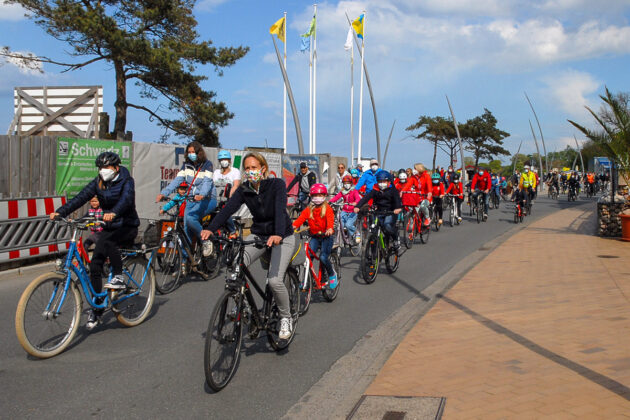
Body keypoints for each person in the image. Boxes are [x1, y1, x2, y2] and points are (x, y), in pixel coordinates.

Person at [201, 152, 295, 340]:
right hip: (260, 235)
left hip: (282, 235)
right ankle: (241, 302)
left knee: (275, 281)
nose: (251, 171)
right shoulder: (245, 190)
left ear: (263, 169)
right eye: (248, 168)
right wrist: (210, 229)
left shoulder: (276, 185)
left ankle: (286, 317)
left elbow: (279, 208)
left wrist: (277, 233)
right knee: (237, 264)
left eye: (254, 167)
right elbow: (228, 209)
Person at [50, 152, 139, 330]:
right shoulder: (99, 182)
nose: (102, 171)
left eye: (106, 167)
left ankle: (119, 276)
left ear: (116, 167)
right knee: (95, 266)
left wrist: (113, 212)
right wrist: (61, 212)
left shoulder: (127, 181)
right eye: (100, 168)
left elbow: (126, 200)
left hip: (127, 225)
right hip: (109, 225)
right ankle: (97, 308)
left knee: (110, 242)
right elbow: (81, 197)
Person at [156, 141, 216, 246]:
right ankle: (185, 258)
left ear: (199, 153)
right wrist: (164, 193)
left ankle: (205, 242)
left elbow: (207, 182)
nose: (191, 154)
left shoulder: (207, 164)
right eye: (189, 152)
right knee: (186, 228)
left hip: (207, 199)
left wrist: (202, 194)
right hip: (191, 199)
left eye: (193, 152)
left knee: (190, 218)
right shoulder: (186, 165)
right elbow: (177, 181)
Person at [293, 184, 338, 289]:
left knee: (323, 257)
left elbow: (330, 220)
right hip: (314, 236)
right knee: (308, 257)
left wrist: (330, 229)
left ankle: (332, 274)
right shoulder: (309, 209)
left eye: (320, 195)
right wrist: (292, 227)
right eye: (315, 196)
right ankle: (307, 279)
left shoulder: (327, 208)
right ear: (311, 196)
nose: (317, 198)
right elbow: (300, 219)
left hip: (326, 237)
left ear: (324, 196)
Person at [353, 171, 403, 249]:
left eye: (384, 181)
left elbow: (397, 200)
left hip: (390, 212)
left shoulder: (392, 190)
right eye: (380, 181)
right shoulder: (375, 189)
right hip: (379, 211)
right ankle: (372, 252)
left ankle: (395, 238)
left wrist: (397, 208)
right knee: (374, 229)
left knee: (387, 225)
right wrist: (358, 206)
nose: (381, 183)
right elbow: (366, 198)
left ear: (388, 181)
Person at [213, 150, 241, 236]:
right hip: (217, 198)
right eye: (221, 159)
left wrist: (229, 196)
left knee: (224, 211)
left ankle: (232, 231)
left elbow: (236, 185)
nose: (223, 161)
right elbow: (213, 186)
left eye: (226, 159)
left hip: (229, 199)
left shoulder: (235, 171)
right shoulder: (216, 172)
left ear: (229, 160)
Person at [330, 175, 362, 242]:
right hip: (344, 211)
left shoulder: (354, 191)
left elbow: (358, 198)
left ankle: (355, 233)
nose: (346, 184)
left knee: (348, 225)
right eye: (345, 183)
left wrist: (355, 203)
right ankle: (342, 237)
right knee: (340, 225)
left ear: (351, 183)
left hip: (352, 211)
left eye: (348, 183)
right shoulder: (343, 192)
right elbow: (336, 197)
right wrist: (329, 202)